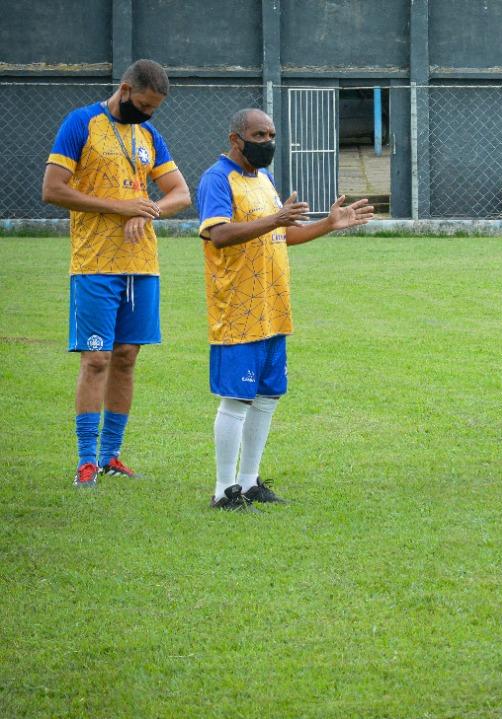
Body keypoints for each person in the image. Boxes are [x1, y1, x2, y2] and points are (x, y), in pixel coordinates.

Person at [196, 109, 373, 509]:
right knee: (236, 400)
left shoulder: (264, 180)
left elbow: (283, 235)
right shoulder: (216, 179)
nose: (268, 141)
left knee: (267, 396)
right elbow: (219, 234)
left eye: (272, 134)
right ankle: (224, 491)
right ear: (236, 139)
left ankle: (249, 481)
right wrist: (276, 218)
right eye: (259, 134)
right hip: (238, 309)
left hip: (273, 308)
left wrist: (328, 224)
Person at [42, 59, 192, 488]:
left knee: (126, 359)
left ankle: (111, 456)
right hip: (94, 264)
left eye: (154, 109)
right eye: (143, 104)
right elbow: (52, 190)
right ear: (125, 90)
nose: (148, 114)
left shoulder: (149, 135)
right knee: (96, 360)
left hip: (142, 265)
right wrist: (119, 207)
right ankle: (86, 460)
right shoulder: (81, 123)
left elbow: (180, 193)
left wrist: (148, 212)